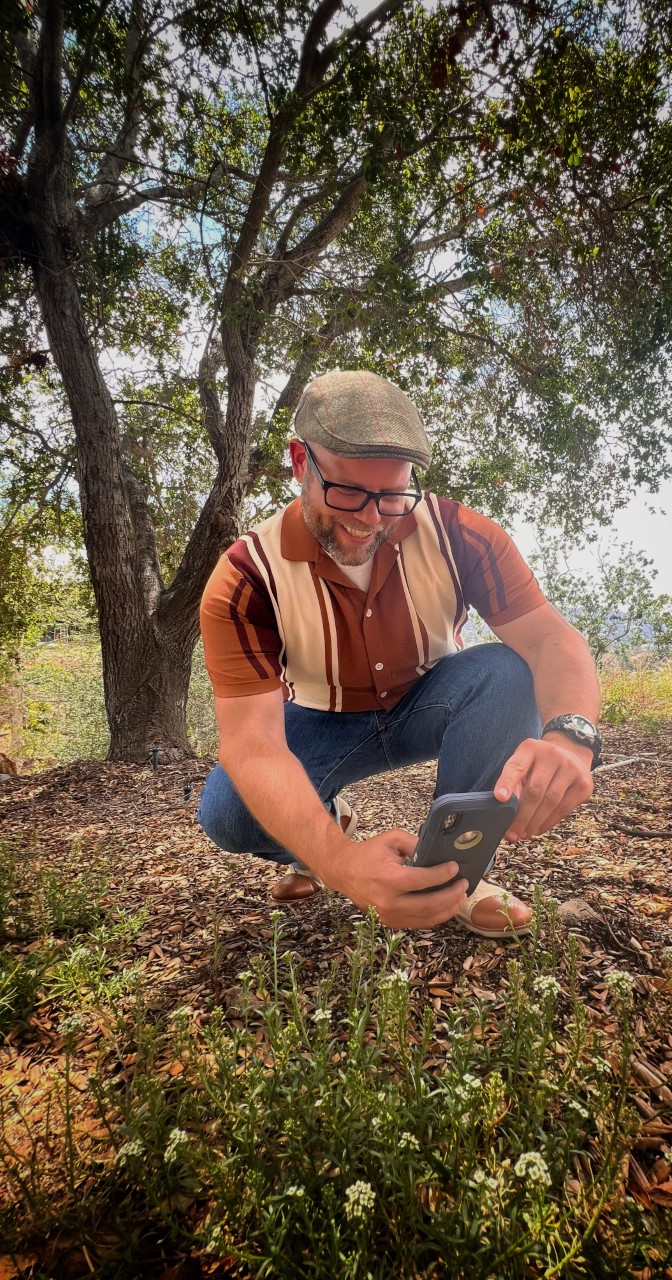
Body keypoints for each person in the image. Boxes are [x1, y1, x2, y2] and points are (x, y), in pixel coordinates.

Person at [198, 370, 601, 936]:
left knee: (506, 671)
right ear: (298, 461)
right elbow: (253, 743)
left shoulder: (462, 534)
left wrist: (572, 737)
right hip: (317, 719)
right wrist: (341, 865)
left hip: (430, 699)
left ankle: (454, 875)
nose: (369, 518)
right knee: (228, 816)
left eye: (391, 495)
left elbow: (552, 640)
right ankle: (320, 839)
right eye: (347, 492)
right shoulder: (246, 577)